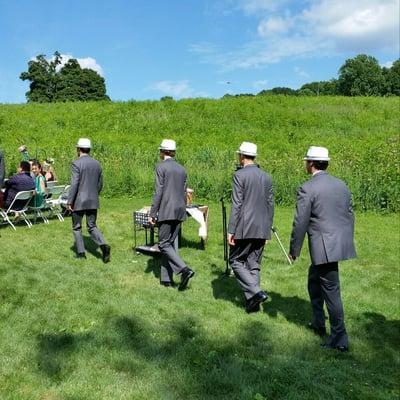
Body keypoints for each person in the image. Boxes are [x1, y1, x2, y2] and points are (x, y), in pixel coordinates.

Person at [289, 146, 356, 352]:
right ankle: (319, 322)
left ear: (310, 163)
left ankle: (340, 338)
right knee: (313, 280)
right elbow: (350, 213)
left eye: (306, 161)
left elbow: (301, 221)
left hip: (326, 246)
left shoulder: (308, 188)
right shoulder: (341, 184)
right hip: (338, 242)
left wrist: (294, 249)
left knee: (332, 291)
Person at [227, 142, 274, 313]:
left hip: (244, 226)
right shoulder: (266, 176)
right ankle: (253, 303)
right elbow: (271, 205)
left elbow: (237, 205)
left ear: (241, 156)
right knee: (253, 263)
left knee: (235, 261)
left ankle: (256, 292)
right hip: (262, 226)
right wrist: (267, 229)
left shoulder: (239, 176)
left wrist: (231, 230)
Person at [148, 139, 195, 290]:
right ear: (173, 152)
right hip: (180, 210)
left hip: (166, 210)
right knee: (168, 246)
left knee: (163, 244)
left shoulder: (160, 167)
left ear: (162, 152)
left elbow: (158, 192)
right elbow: (184, 192)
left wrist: (152, 212)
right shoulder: (182, 169)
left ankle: (184, 270)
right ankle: (166, 279)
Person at [66, 138, 111, 263]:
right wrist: (95, 194)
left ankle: (81, 253)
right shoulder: (97, 163)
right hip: (93, 199)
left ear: (78, 149)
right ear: (89, 149)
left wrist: (69, 202)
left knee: (77, 227)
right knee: (92, 226)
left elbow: (74, 184)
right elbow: (100, 183)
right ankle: (103, 245)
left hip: (79, 200)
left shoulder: (76, 163)